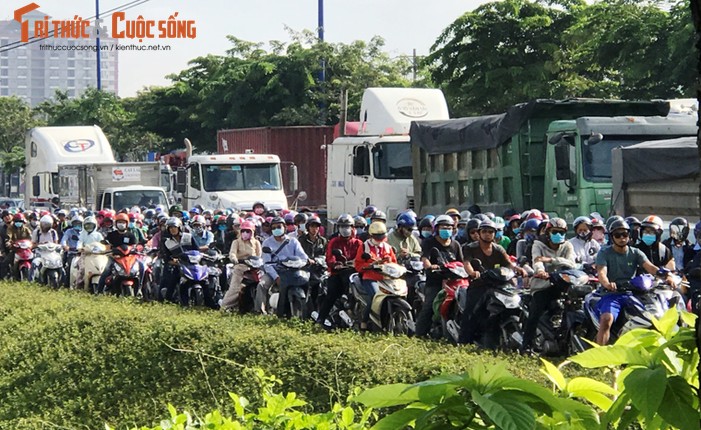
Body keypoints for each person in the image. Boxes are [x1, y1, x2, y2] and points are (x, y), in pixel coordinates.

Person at [595, 219, 674, 345]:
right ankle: (599, 357)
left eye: (625, 234)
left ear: (629, 235)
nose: (622, 238)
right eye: (617, 235)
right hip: (612, 294)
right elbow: (602, 273)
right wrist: (608, 284)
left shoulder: (635, 252)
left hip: (634, 294)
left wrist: (667, 276)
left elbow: (651, 268)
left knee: (652, 315)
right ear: (611, 237)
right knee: (606, 319)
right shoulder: (604, 252)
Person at [458, 219, 526, 346]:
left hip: (498, 284)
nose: (488, 234)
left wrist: (518, 269)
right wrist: (472, 273)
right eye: (484, 231)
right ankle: (463, 343)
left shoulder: (498, 249)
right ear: (479, 233)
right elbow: (466, 263)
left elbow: (509, 264)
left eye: (491, 232)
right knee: (471, 313)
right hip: (479, 285)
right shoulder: (470, 248)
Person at [520, 218, 576, 353]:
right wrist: (540, 271)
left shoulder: (567, 246)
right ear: (548, 233)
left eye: (561, 232)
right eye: (555, 232)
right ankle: (526, 345)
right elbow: (537, 261)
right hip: (542, 285)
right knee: (535, 313)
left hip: (563, 284)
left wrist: (551, 260)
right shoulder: (538, 244)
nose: (558, 235)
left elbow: (572, 264)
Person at [416, 215, 463, 337]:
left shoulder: (456, 244)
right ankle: (419, 334)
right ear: (436, 228)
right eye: (443, 227)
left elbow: (462, 262)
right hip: (435, 281)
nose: (446, 229)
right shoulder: (429, 242)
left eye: (449, 227)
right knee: (429, 306)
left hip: (454, 281)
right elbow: (425, 258)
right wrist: (430, 266)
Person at [316, 214, 362, 328]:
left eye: (347, 226)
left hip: (355, 273)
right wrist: (335, 264)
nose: (345, 229)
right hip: (337, 273)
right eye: (342, 226)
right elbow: (330, 257)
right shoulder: (334, 241)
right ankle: (320, 319)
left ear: (352, 228)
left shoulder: (358, 243)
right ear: (338, 228)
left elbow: (362, 257)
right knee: (331, 294)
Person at [258, 217, 309, 317]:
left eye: (278, 227)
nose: (276, 229)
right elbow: (267, 264)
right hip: (275, 270)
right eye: (273, 228)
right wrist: (276, 277)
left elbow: (302, 256)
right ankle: (260, 311)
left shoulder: (293, 241)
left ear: (285, 227)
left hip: (292, 270)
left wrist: (307, 261)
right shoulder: (267, 243)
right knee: (262, 285)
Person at [354, 221, 397, 330]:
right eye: (377, 236)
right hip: (370, 277)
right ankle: (364, 320)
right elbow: (358, 264)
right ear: (371, 235)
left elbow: (394, 263)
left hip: (386, 278)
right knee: (375, 296)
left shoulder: (388, 247)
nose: (379, 239)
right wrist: (370, 265)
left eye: (381, 236)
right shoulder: (364, 247)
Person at [221, 220, 262, 312]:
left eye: (248, 231)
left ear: (252, 232)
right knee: (235, 288)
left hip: (254, 268)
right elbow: (232, 253)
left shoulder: (256, 243)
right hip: (240, 267)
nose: (245, 233)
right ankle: (225, 307)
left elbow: (259, 255)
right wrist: (234, 259)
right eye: (243, 231)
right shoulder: (236, 242)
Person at [98, 213, 141, 295]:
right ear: (116, 223)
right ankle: (99, 291)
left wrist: (138, 249)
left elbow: (135, 246)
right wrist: (112, 255)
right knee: (106, 270)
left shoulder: (131, 235)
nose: (121, 224)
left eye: (123, 222)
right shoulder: (111, 235)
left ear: (127, 223)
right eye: (119, 222)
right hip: (114, 258)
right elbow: (107, 247)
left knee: (141, 266)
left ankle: (140, 288)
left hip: (129, 259)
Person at [157, 217, 198, 304]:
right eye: (170, 228)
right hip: (179, 266)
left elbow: (197, 250)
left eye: (174, 227)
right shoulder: (167, 242)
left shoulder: (188, 236)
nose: (172, 229)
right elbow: (167, 258)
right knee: (171, 280)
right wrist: (174, 262)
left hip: (192, 264)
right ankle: (166, 300)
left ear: (179, 227)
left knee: (205, 281)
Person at [297, 215, 327, 313]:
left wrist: (318, 260)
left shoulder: (323, 240)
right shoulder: (301, 240)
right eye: (312, 226)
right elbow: (298, 254)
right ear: (308, 227)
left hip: (320, 269)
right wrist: (307, 260)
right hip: (305, 269)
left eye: (317, 227)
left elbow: (326, 255)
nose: (315, 229)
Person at [6, 213, 32, 280]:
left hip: (26, 249)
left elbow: (31, 238)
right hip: (15, 249)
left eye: (20, 221)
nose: (19, 223)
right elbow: (9, 236)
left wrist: (32, 244)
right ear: (14, 221)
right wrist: (8, 243)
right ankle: (7, 276)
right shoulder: (10, 228)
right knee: (5, 262)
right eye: (17, 221)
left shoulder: (26, 229)